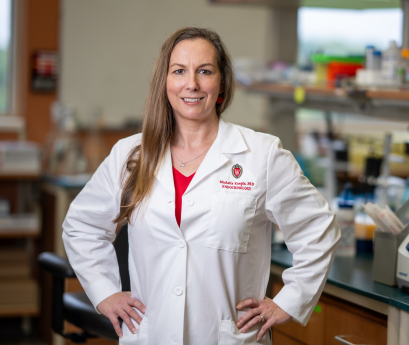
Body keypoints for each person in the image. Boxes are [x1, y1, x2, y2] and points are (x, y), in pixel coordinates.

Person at [62, 27, 340, 345]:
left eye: (204, 71)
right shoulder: (131, 155)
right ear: (164, 82)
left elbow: (319, 230)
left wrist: (287, 303)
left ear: (221, 82)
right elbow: (81, 227)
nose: (191, 83)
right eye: (179, 71)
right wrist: (105, 292)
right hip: (152, 335)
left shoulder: (262, 155)